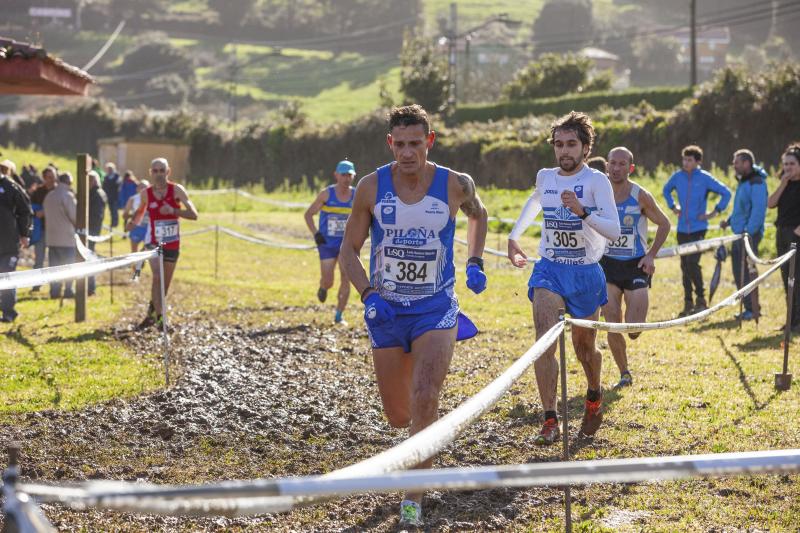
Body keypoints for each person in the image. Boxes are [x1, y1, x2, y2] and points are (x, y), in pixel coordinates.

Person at [339, 104, 488, 528]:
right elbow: (348, 250)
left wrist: (475, 260)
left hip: (435, 308)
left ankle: (413, 497)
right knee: (398, 415)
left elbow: (480, 215)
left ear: (429, 141)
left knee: (425, 398)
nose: (407, 152)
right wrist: (368, 294)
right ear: (390, 144)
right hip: (386, 311)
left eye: (415, 143)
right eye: (400, 144)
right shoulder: (371, 187)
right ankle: (423, 444)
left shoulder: (456, 184)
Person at [507, 111, 620, 445]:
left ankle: (594, 394)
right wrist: (514, 237)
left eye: (572, 144)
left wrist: (583, 212)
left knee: (584, 349)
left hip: (586, 272)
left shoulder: (597, 181)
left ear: (586, 149)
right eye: (559, 144)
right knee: (544, 343)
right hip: (550, 269)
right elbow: (534, 201)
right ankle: (549, 419)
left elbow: (613, 230)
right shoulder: (547, 177)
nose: (564, 151)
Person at [599, 147, 671, 388]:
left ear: (630, 168)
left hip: (634, 265)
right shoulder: (598, 193)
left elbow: (664, 224)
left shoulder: (640, 195)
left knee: (633, 328)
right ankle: (624, 372)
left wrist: (651, 255)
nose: (616, 168)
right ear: (607, 166)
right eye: (612, 163)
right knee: (612, 320)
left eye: (622, 164)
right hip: (607, 264)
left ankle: (635, 324)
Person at [128, 158, 198, 328]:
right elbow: (139, 212)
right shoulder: (146, 193)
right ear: (150, 173)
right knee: (157, 278)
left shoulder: (176, 190)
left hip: (172, 244)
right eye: (155, 171)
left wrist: (173, 210)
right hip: (153, 243)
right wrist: (131, 223)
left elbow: (194, 214)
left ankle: (151, 316)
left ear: (168, 172)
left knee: (164, 287)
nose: (159, 174)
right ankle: (161, 320)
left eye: (162, 170)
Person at [662, 145, 731, 316]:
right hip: (682, 229)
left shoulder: (705, 178)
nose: (685, 163)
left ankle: (701, 299)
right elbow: (665, 190)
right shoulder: (677, 177)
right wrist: (673, 206)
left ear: (698, 161)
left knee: (692, 263)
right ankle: (688, 303)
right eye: (684, 159)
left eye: (689, 160)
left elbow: (726, 193)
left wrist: (715, 212)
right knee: (684, 265)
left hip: (699, 228)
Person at [304, 160, 356, 324]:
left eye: (349, 175)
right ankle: (323, 287)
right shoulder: (326, 194)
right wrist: (316, 233)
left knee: (346, 277)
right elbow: (308, 214)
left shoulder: (356, 195)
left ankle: (339, 315)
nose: (346, 179)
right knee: (329, 280)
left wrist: (362, 232)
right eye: (343, 175)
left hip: (346, 244)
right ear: (336, 175)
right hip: (327, 243)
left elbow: (365, 216)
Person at [720, 149, 768, 321]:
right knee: (738, 272)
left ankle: (753, 309)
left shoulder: (757, 182)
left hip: (749, 235)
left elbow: (758, 211)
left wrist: (748, 232)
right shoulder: (744, 181)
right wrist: (729, 220)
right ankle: (748, 308)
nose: (734, 165)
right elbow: (741, 209)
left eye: (737, 162)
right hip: (739, 234)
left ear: (747, 163)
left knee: (748, 273)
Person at [767, 143, 800, 332]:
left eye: (792, 164)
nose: (788, 168)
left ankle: (798, 322)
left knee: (798, 279)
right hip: (781, 234)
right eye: (785, 164)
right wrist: (783, 184)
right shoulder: (785, 184)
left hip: (796, 235)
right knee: (787, 278)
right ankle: (791, 320)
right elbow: (771, 204)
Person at [0, 159, 31, 322]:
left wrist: (24, 234)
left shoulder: (10, 186)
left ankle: (8, 312)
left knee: (6, 276)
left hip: (8, 243)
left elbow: (25, 210)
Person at [43, 172, 77, 299]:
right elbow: (74, 217)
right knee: (69, 265)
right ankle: (68, 290)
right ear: (68, 182)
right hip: (66, 238)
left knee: (54, 267)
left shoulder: (49, 195)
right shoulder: (67, 196)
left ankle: (54, 291)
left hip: (51, 238)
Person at [29, 166, 57, 291]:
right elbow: (29, 209)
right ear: (44, 178)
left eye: (53, 177)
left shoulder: (59, 191)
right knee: (39, 258)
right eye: (49, 177)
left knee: (54, 260)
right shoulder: (38, 192)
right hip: (40, 230)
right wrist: (37, 214)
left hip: (55, 231)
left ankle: (54, 285)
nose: (52, 179)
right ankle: (36, 284)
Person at [88, 170, 108, 296]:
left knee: (89, 258)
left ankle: (91, 287)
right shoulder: (95, 193)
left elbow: (96, 215)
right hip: (91, 230)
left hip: (91, 231)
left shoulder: (97, 194)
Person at [123, 179, 150, 253]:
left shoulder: (152, 198)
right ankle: (135, 264)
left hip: (149, 227)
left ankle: (141, 261)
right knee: (134, 251)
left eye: (145, 187)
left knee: (147, 250)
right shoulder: (132, 199)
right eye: (141, 186)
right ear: (137, 188)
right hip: (136, 227)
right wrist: (136, 215)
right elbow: (124, 215)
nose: (143, 189)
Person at [102, 162, 121, 227]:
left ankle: (115, 223)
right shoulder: (106, 177)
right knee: (110, 210)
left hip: (115, 196)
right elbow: (104, 186)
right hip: (108, 196)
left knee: (114, 210)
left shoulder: (117, 176)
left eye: (110, 169)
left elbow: (119, 186)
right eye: (108, 169)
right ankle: (112, 223)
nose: (109, 170)